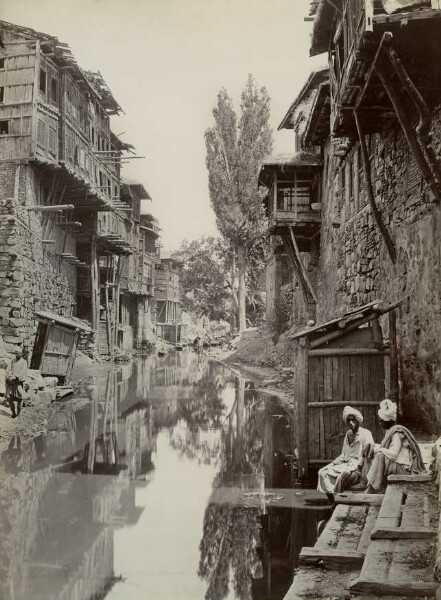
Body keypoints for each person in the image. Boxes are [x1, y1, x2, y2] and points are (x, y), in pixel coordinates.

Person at [365, 399, 424, 493]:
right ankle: (371, 485)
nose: (380, 424)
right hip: (396, 464)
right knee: (374, 450)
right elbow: (387, 449)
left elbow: (393, 454)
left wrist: (379, 449)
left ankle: (372, 488)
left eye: (381, 421)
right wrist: (374, 447)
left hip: (403, 469)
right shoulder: (390, 431)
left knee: (380, 454)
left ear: (387, 421)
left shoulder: (396, 433)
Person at [317, 405, 374, 500]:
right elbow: (343, 455)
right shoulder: (348, 434)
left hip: (358, 467)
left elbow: (368, 455)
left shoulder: (366, 433)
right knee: (322, 472)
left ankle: (339, 499)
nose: (351, 423)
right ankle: (332, 500)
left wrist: (356, 469)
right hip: (347, 464)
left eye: (353, 420)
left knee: (342, 477)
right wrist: (331, 464)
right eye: (348, 421)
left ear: (358, 420)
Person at [6, 349, 28, 418]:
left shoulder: (24, 362)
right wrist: (10, 376)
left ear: (21, 354)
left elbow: (23, 371)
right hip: (11, 382)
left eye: (19, 353)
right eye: (16, 353)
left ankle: (18, 414)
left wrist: (16, 377)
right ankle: (13, 413)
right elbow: (8, 370)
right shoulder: (12, 361)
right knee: (9, 398)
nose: (17, 354)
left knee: (19, 398)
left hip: (18, 382)